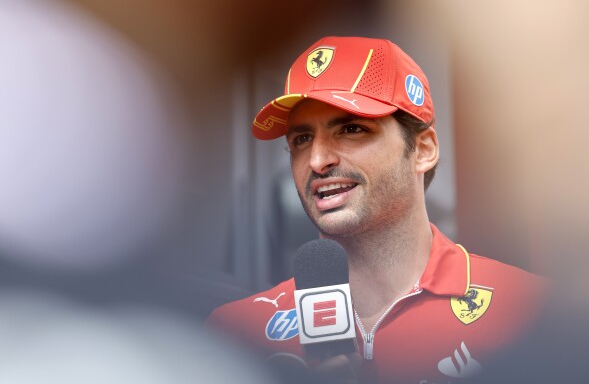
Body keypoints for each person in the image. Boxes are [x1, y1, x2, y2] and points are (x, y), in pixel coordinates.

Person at [205, 36, 548, 383]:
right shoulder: (233, 334)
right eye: (301, 139)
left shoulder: (532, 312)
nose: (318, 160)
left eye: (352, 129)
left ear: (424, 149)